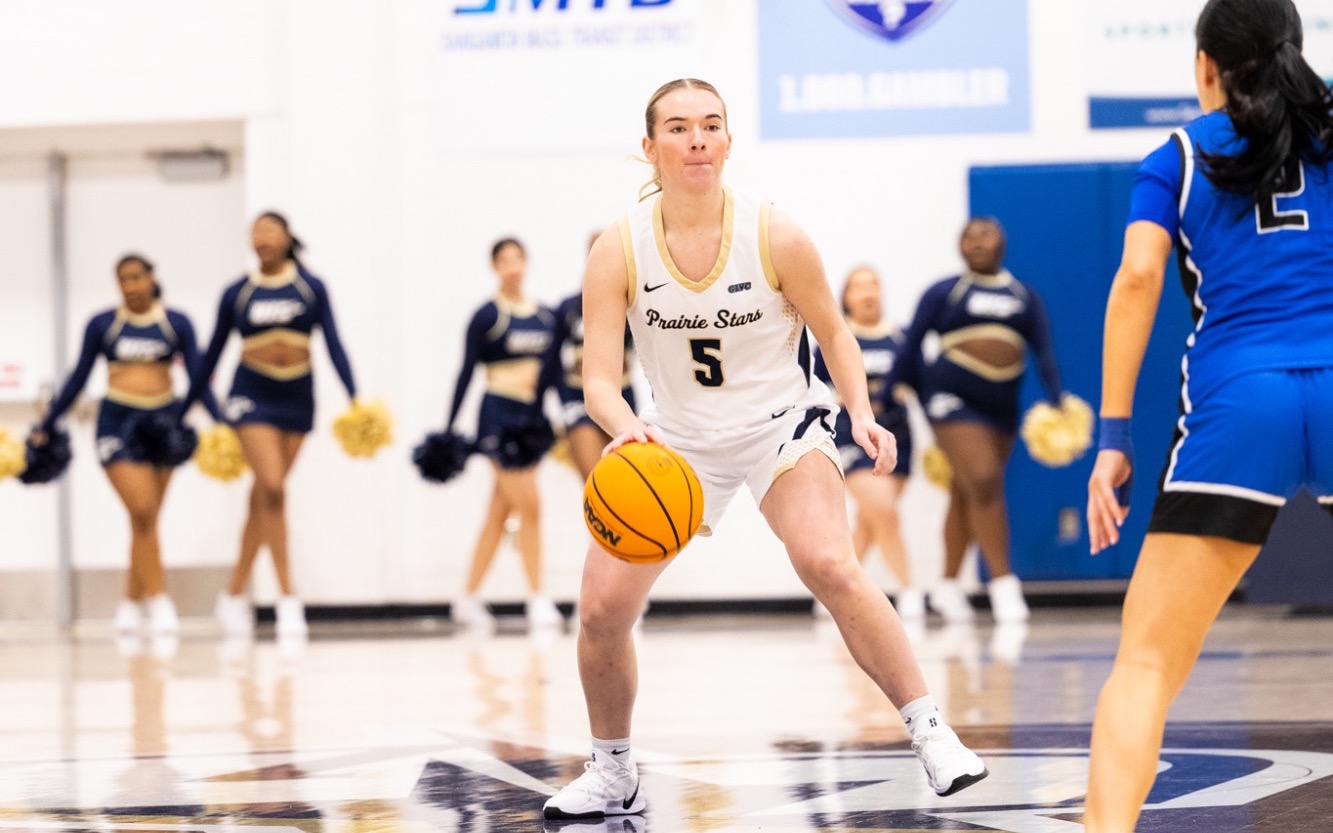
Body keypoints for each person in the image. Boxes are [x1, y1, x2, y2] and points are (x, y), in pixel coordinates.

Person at [543, 78, 987, 822]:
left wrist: (861, 411)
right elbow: (595, 380)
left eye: (710, 124)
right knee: (599, 610)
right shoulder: (618, 247)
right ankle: (612, 770)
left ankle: (932, 733)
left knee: (828, 561)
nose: (696, 139)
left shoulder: (773, 232)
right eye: (677, 127)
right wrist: (625, 426)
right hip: (675, 440)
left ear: (727, 140)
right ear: (649, 147)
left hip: (780, 423)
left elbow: (835, 332)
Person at [1084, 2, 1333, 830]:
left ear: (1204, 68)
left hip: (1238, 403)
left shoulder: (1177, 155)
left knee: (1145, 663)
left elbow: (1135, 280)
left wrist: (1112, 438)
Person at [183, 212, 358, 639]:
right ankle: (287, 598)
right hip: (251, 395)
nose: (263, 238)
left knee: (264, 497)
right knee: (275, 487)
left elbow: (333, 341)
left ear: (286, 238)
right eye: (256, 232)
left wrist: (354, 395)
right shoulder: (238, 292)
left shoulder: (310, 287)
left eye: (271, 230)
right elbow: (211, 353)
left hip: (297, 396)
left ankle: (233, 594)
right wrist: (188, 407)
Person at [890, 217, 1064, 624]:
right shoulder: (945, 291)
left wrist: (1057, 400)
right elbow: (911, 345)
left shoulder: (1023, 295)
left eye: (985, 234)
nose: (976, 241)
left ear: (1002, 242)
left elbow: (1043, 351)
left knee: (966, 490)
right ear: (959, 246)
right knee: (985, 479)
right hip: (950, 401)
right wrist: (893, 394)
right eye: (968, 236)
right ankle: (1004, 587)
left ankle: (947, 587)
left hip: (1000, 408)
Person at [34, 254, 220, 635]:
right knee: (142, 508)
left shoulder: (175, 322)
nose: (131, 285)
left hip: (163, 425)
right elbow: (78, 377)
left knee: (145, 520)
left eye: (137, 277)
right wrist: (48, 422)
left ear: (151, 278)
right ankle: (160, 600)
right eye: (123, 279)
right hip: (117, 424)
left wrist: (222, 422)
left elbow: (199, 376)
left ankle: (130, 603)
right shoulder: (103, 324)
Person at [444, 238, 562, 630]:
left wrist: (565, 416)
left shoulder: (545, 316)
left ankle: (467, 598)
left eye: (518, 258)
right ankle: (538, 598)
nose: (512, 266)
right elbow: (465, 372)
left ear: (526, 263)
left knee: (500, 512)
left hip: (531, 422)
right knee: (531, 506)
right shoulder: (486, 316)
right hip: (497, 416)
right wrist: (448, 429)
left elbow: (553, 376)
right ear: (494, 267)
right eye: (504, 260)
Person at [811, 265, 925, 622]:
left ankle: (835, 592)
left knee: (871, 520)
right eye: (858, 286)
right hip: (852, 435)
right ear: (846, 296)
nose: (868, 292)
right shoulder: (835, 338)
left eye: (873, 284)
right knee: (884, 511)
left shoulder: (900, 338)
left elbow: (923, 382)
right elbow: (810, 387)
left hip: (897, 434)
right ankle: (909, 591)